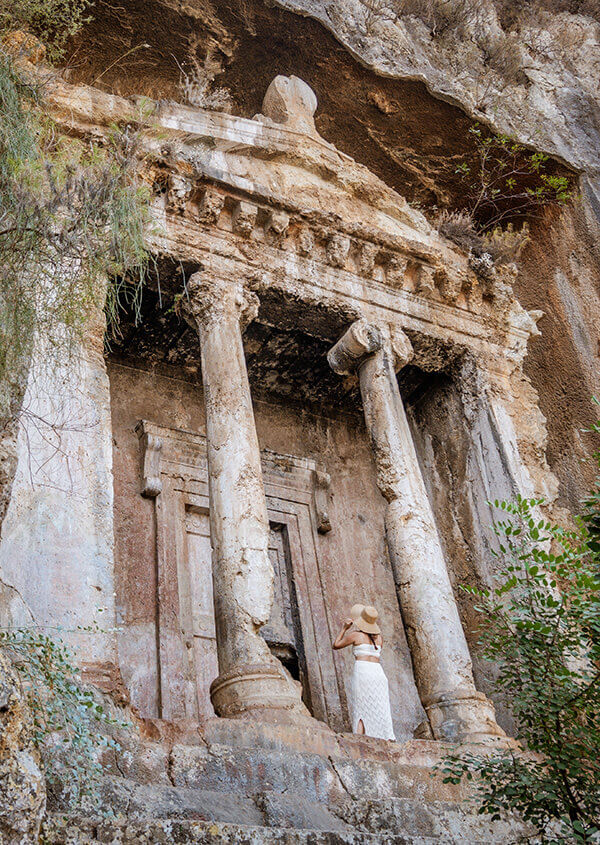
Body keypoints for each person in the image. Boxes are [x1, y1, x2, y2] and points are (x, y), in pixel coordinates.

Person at [333, 603, 396, 741]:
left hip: (363, 671)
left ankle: (359, 738)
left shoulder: (355, 635)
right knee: (381, 706)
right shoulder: (379, 638)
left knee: (361, 704)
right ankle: (386, 737)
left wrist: (344, 629)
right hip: (378, 673)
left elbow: (336, 645)